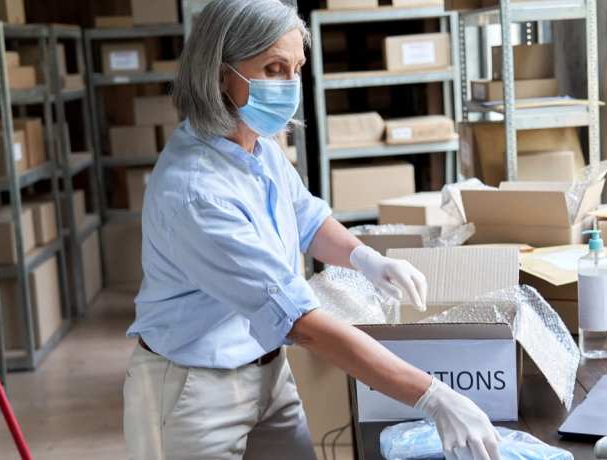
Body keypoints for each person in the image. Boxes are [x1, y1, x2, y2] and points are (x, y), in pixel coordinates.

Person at [122, 1, 501, 459]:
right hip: (193, 386)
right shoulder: (197, 193)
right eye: (273, 69)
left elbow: (306, 217)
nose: (289, 86)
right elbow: (302, 322)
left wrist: (366, 258)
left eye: (295, 69)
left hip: (264, 367)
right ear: (221, 75)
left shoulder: (256, 147)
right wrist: (431, 396)